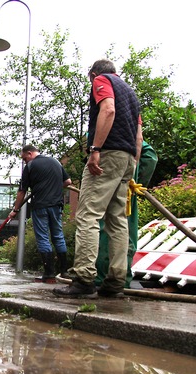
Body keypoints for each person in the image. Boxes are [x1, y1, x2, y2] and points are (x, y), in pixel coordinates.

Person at [54, 59, 142, 298]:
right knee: (117, 219)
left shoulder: (102, 81)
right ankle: (116, 281)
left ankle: (84, 279)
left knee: (88, 215)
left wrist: (95, 149)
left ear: (93, 74)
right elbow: (138, 136)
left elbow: (109, 109)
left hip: (107, 154)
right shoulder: (132, 95)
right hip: (126, 159)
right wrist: (132, 166)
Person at [95, 140, 157, 289]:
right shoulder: (133, 137)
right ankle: (123, 279)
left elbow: (150, 157)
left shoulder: (104, 134)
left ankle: (102, 279)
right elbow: (150, 158)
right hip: (128, 189)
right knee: (126, 231)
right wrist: (138, 183)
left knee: (106, 231)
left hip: (108, 188)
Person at [8, 144, 72, 283]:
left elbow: (22, 191)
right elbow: (67, 181)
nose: (25, 161)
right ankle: (64, 272)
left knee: (43, 238)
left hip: (41, 206)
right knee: (58, 235)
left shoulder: (30, 167)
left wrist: (15, 209)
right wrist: (53, 187)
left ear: (30, 153)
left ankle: (49, 274)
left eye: (25, 158)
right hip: (56, 205)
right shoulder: (55, 161)